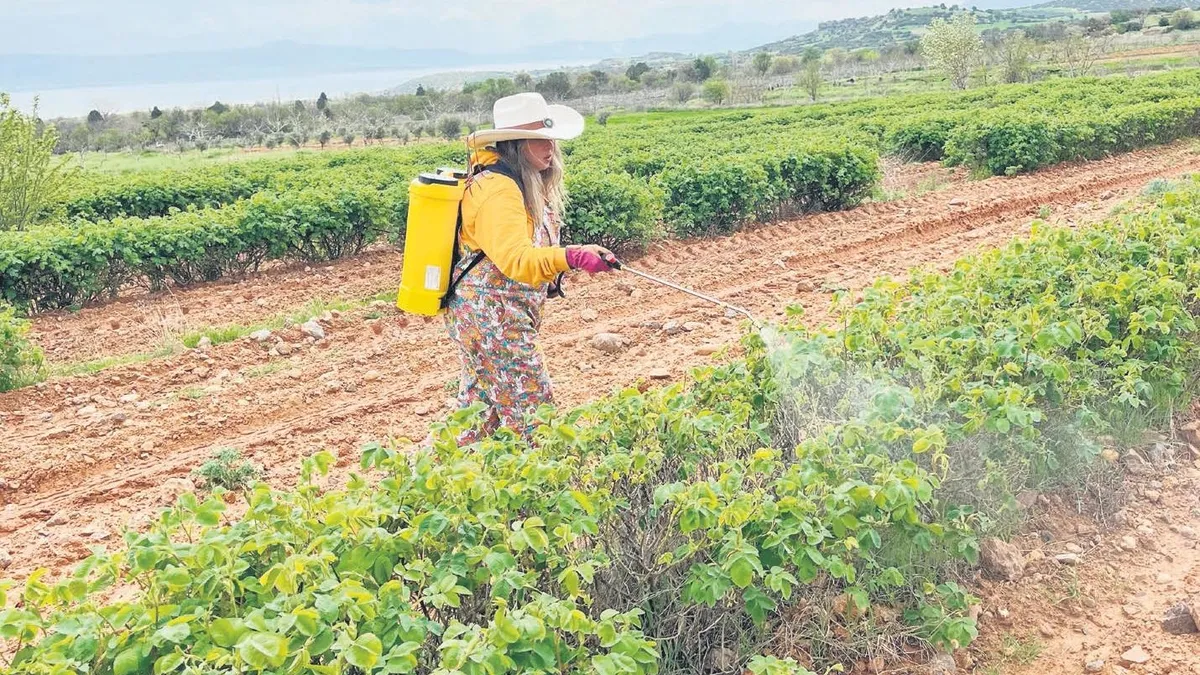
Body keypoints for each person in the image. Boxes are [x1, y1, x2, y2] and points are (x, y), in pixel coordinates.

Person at [444, 92, 616, 443]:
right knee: (533, 413)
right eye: (539, 140)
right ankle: (545, 488)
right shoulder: (498, 190)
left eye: (551, 138)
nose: (549, 147)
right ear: (516, 144)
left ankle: (425, 485)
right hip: (493, 316)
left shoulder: (522, 183)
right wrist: (573, 257)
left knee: (479, 414)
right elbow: (516, 260)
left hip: (496, 314)